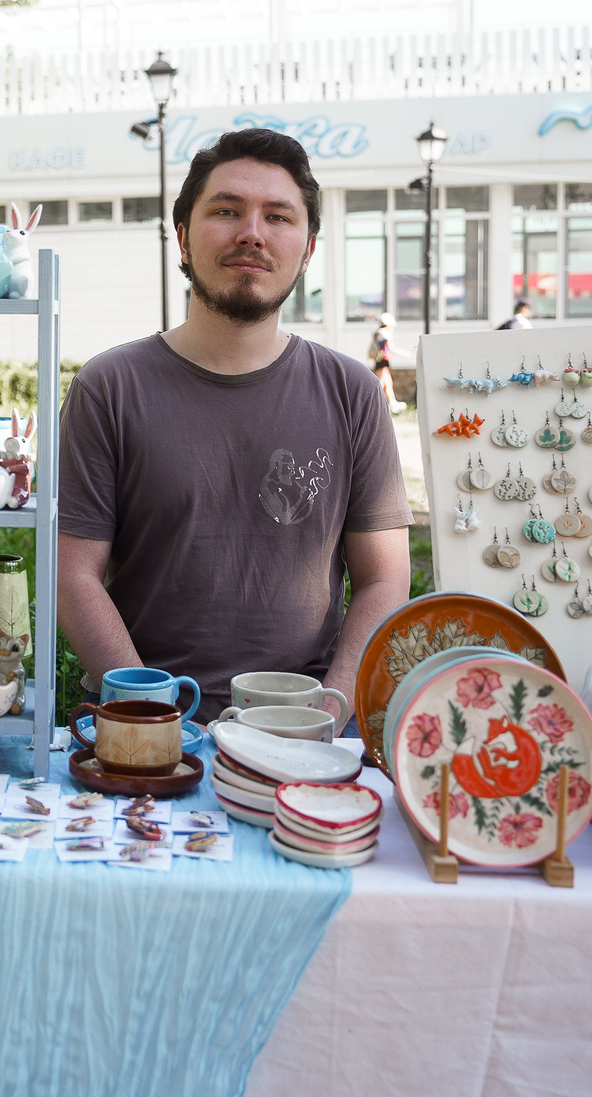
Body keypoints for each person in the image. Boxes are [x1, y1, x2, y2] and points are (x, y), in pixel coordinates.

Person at [55, 127, 413, 721]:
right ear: (183, 237)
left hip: (308, 728)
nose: (252, 233)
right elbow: (73, 577)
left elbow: (385, 578)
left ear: (308, 248)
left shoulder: (352, 392)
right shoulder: (109, 387)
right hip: (143, 727)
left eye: (278, 216)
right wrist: (151, 715)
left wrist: (331, 711)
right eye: (226, 211)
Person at [368, 313, 407, 414]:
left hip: (380, 359)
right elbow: (391, 348)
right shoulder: (384, 334)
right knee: (380, 383)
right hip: (382, 360)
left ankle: (392, 403)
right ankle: (372, 403)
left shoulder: (378, 333)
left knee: (388, 383)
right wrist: (405, 354)